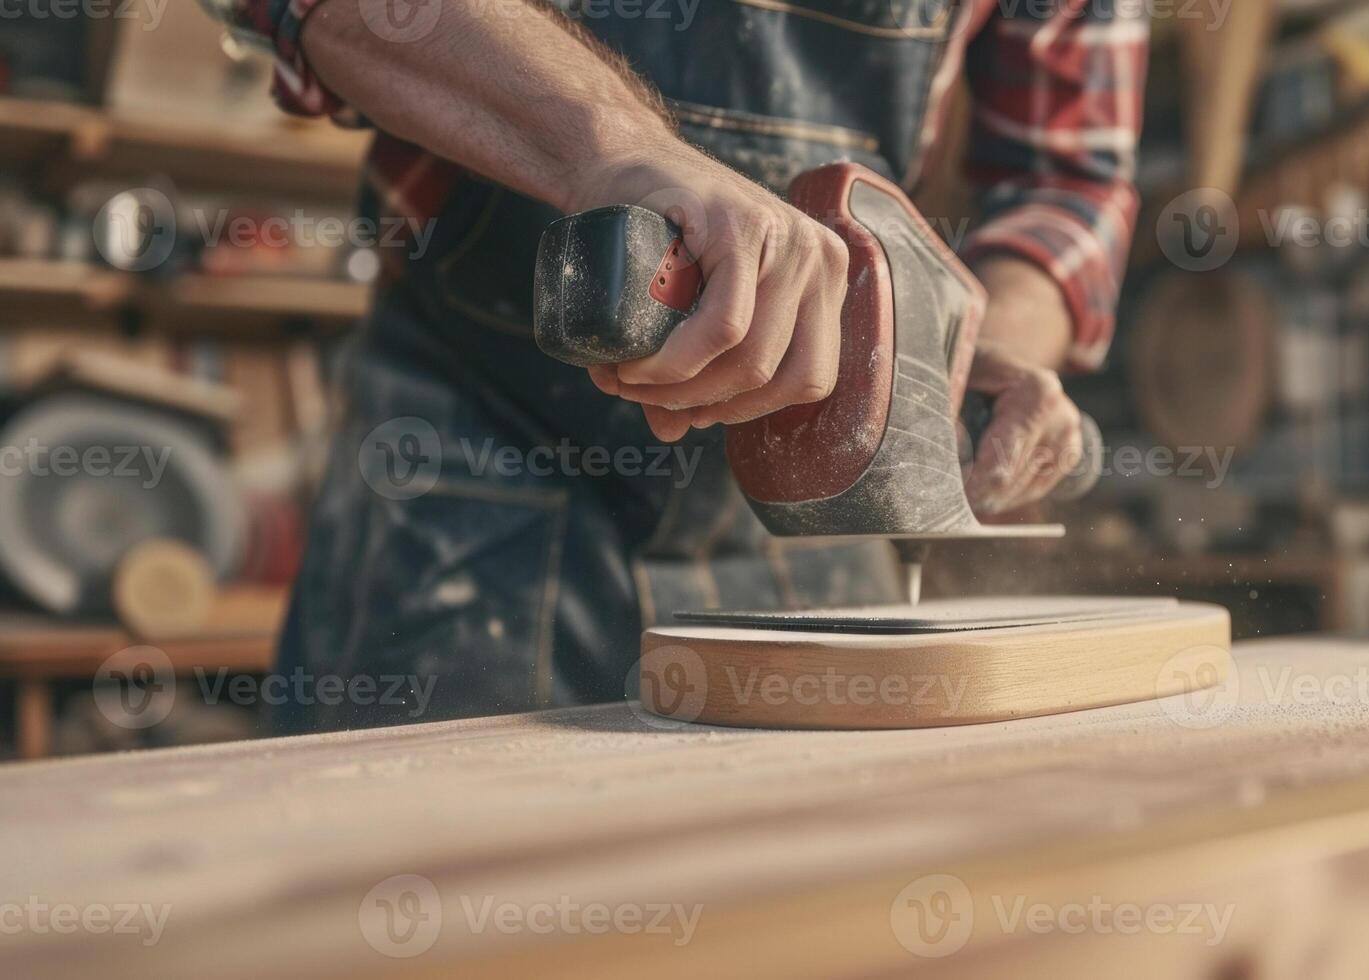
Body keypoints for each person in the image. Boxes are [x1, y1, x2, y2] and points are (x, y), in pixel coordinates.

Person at [213, 0, 1147, 729]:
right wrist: (611, 148)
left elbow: (1063, 182)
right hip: (473, 469)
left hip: (807, 522)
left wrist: (986, 345)